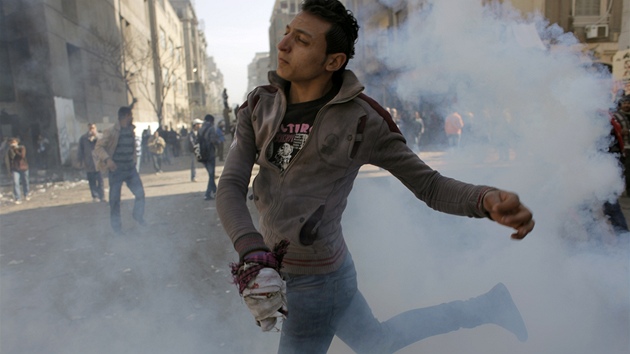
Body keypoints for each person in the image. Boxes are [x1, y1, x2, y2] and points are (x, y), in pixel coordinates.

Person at [216, 1, 535, 353]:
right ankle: (485, 307)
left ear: (333, 61)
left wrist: (484, 199)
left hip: (319, 280)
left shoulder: (363, 120)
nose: (284, 44)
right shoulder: (258, 106)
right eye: (288, 32)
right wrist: (252, 250)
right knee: (379, 342)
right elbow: (231, 185)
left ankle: (485, 307)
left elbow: (428, 185)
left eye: (302, 40)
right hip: (299, 269)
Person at [93, 106, 146, 234]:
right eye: (130, 115)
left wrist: (133, 162)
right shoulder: (111, 131)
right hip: (116, 170)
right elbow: (98, 147)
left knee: (140, 194)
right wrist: (108, 160)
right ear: (126, 116)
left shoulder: (131, 130)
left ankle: (138, 215)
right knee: (115, 200)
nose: (132, 117)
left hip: (130, 169)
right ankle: (117, 228)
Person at [77, 123, 105, 202]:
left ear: (95, 128)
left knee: (100, 181)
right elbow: (80, 150)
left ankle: (102, 196)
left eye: (93, 128)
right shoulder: (83, 138)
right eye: (90, 128)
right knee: (92, 181)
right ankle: (95, 196)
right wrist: (80, 160)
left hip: (99, 162)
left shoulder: (100, 137)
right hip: (88, 162)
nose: (91, 130)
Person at [612, 95, 630, 195]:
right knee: (625, 170)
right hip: (623, 147)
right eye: (625, 103)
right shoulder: (616, 116)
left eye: (628, 103)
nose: (626, 105)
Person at [199, 114, 220, 200]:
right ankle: (207, 194)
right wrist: (218, 142)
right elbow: (213, 140)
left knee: (210, 174)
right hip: (210, 154)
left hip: (202, 154)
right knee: (211, 175)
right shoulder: (211, 128)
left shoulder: (200, 129)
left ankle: (216, 192)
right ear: (211, 121)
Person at [4, 137, 30, 204]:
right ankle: (18, 197)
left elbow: (22, 156)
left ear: (17, 143)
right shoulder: (9, 150)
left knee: (25, 181)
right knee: (16, 183)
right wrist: (9, 170)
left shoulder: (22, 148)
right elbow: (8, 160)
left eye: (14, 142)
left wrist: (16, 150)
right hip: (15, 168)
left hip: (23, 167)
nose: (12, 144)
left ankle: (26, 194)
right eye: (11, 143)